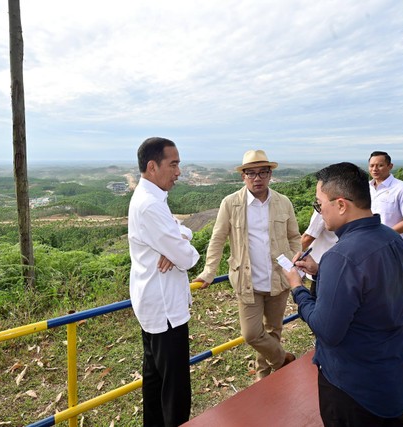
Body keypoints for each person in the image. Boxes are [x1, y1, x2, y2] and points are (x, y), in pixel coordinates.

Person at [283, 162, 403, 426]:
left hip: (353, 387)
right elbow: (371, 291)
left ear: (341, 205)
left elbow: (327, 330)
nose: (319, 212)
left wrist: (297, 288)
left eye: (320, 205)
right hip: (390, 373)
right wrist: (321, 272)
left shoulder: (341, 256)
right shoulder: (391, 238)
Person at [194, 149, 299, 381]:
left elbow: (294, 236)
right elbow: (218, 238)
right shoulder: (231, 203)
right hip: (246, 281)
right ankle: (283, 360)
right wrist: (209, 271)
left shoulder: (283, 202)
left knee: (273, 331)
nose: (257, 178)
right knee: (252, 334)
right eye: (251, 173)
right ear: (243, 177)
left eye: (263, 172)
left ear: (270, 175)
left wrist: (294, 261)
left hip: (278, 280)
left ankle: (264, 377)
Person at [128, 137, 200, 426]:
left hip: (155, 306)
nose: (178, 171)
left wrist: (178, 239)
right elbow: (188, 259)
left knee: (155, 383)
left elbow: (181, 233)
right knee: (175, 389)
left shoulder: (152, 199)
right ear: (152, 166)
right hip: (165, 309)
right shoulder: (150, 206)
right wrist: (178, 246)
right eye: (174, 164)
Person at [368, 151, 403, 248]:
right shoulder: (366, 188)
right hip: (369, 245)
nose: (374, 169)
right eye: (371, 166)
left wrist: (384, 235)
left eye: (380, 165)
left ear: (390, 166)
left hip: (393, 246)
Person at [300, 210, 338, 297]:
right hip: (340, 270)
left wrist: (289, 257)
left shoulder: (325, 204)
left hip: (319, 270)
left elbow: (308, 237)